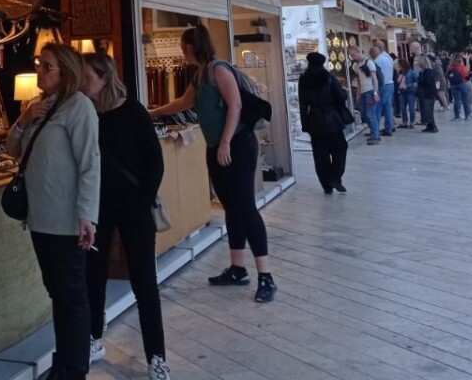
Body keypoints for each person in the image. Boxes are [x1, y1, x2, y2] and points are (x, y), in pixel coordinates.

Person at [150, 27, 276, 303]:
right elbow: (184, 103)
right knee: (231, 206)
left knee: (245, 208)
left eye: (185, 47)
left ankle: (265, 275)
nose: (182, 52)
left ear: (195, 46)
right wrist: (151, 113)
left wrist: (226, 142)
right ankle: (237, 267)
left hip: (237, 147)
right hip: (217, 148)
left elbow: (236, 106)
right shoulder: (199, 75)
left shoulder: (219, 70)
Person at [7, 44, 100, 380]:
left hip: (66, 222)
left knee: (72, 296)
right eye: (39, 65)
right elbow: (13, 149)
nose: (40, 72)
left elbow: (90, 163)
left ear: (66, 72)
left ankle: (74, 370)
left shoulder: (79, 108)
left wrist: (87, 214)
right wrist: (22, 120)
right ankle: (64, 364)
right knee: (58, 293)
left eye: (47, 67)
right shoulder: (40, 106)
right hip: (41, 219)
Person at [80, 53, 170, 380]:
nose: (83, 83)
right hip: (97, 209)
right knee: (94, 275)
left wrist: (142, 201)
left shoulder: (133, 112)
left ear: (104, 76)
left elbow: (154, 162)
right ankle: (94, 338)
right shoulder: (85, 114)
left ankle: (156, 357)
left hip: (134, 208)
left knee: (144, 282)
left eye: (88, 77)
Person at [298, 52, 349, 194]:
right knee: (340, 148)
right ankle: (335, 176)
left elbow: (302, 104)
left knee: (320, 154)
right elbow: (340, 96)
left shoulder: (303, 79)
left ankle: (326, 185)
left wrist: (304, 123)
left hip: (314, 119)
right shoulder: (328, 77)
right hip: (332, 118)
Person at [349, 45, 380, 144]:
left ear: (358, 52)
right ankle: (373, 132)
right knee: (364, 114)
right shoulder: (358, 64)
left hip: (370, 91)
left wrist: (375, 92)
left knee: (370, 114)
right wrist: (358, 93)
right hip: (363, 92)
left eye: (353, 55)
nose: (352, 57)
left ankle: (375, 135)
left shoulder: (369, 63)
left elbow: (374, 78)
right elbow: (359, 80)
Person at [373, 45, 396, 136]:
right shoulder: (388, 58)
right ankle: (389, 128)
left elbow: (377, 76)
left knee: (378, 108)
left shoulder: (377, 60)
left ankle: (375, 130)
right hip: (390, 84)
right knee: (388, 108)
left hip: (383, 86)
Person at [415, 55, 440, 133]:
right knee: (426, 110)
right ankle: (429, 125)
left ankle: (433, 125)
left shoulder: (428, 72)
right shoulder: (426, 72)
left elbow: (427, 82)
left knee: (428, 110)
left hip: (429, 94)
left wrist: (420, 80)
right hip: (428, 93)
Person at [447, 55, 472, 121]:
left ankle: (457, 116)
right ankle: (467, 115)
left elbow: (447, 75)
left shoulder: (450, 67)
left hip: (453, 85)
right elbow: (466, 76)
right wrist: (469, 78)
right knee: (465, 100)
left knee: (456, 100)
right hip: (462, 84)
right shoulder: (461, 67)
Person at [398, 59, 418, 129]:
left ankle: (412, 122)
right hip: (402, 91)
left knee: (411, 107)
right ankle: (405, 122)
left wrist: (412, 86)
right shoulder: (400, 73)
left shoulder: (411, 72)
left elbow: (416, 81)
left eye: (399, 65)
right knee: (403, 108)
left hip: (410, 91)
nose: (398, 66)